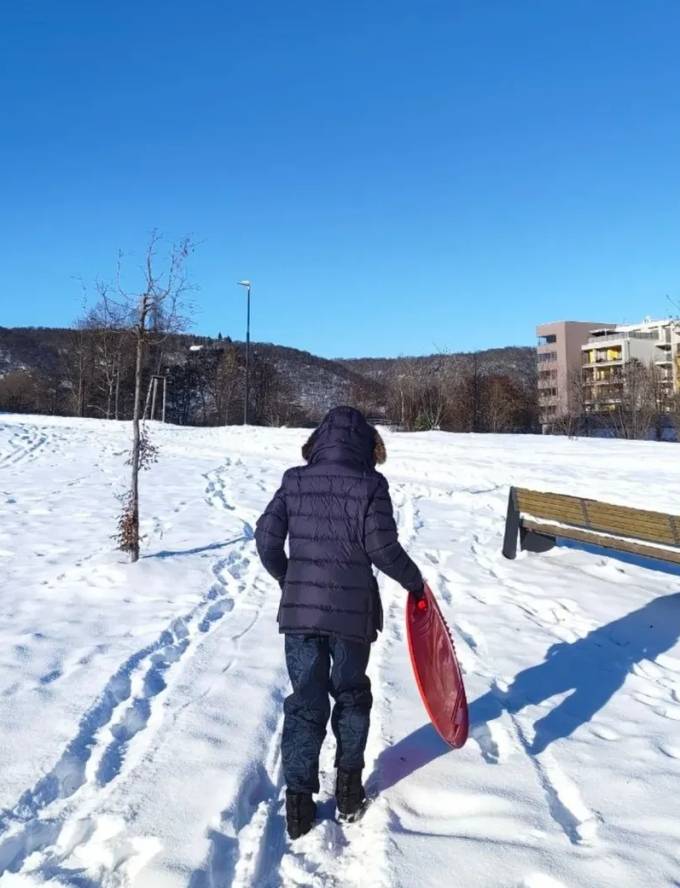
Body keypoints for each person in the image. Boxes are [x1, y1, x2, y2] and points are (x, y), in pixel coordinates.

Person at [255, 406, 424, 840]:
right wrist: (415, 582)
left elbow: (266, 540)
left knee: (305, 702)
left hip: (301, 615)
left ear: (318, 442)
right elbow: (382, 549)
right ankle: (349, 793)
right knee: (350, 696)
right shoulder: (371, 484)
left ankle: (298, 808)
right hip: (352, 616)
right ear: (367, 446)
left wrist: (289, 579)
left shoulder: (294, 481)